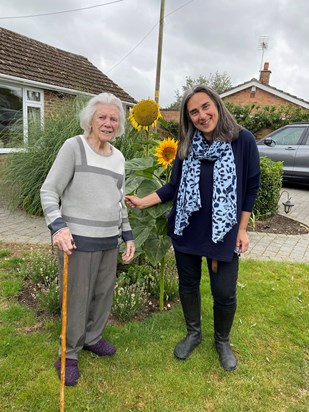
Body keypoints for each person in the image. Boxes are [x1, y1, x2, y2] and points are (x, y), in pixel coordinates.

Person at [125, 85, 260, 371]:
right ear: (189, 117)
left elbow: (250, 187)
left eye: (205, 107)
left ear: (217, 105)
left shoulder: (243, 140)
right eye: (194, 112)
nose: (202, 115)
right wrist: (141, 201)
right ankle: (194, 333)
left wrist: (243, 229)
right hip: (188, 227)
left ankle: (222, 341)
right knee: (188, 285)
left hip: (223, 231)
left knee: (224, 292)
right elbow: (173, 187)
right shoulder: (187, 145)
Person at [40, 92, 135, 386]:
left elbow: (118, 201)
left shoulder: (118, 157)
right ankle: (68, 354)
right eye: (102, 117)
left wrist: (127, 235)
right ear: (90, 121)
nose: (108, 123)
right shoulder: (74, 147)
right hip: (77, 241)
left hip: (109, 241)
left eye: (113, 119)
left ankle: (93, 338)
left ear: (119, 125)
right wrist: (58, 227)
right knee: (76, 298)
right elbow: (49, 191)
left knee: (102, 294)